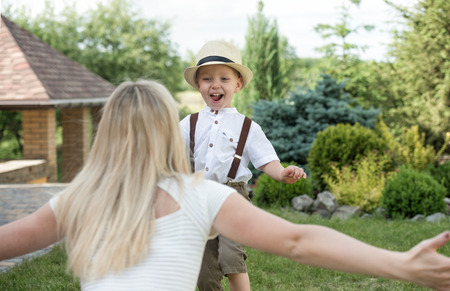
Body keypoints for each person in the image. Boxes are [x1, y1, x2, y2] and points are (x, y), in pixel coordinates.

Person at [0, 80, 450, 291]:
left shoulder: (78, 200)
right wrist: (400, 264)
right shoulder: (197, 194)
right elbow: (298, 239)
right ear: (167, 130)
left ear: (106, 131)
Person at [180, 39, 307, 291]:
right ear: (198, 85)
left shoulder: (247, 126)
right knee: (203, 269)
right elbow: (171, 158)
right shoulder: (188, 124)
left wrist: (282, 173)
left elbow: (265, 159)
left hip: (232, 198)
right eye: (207, 79)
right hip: (198, 199)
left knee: (232, 260)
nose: (215, 85)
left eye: (224, 79)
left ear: (237, 85)